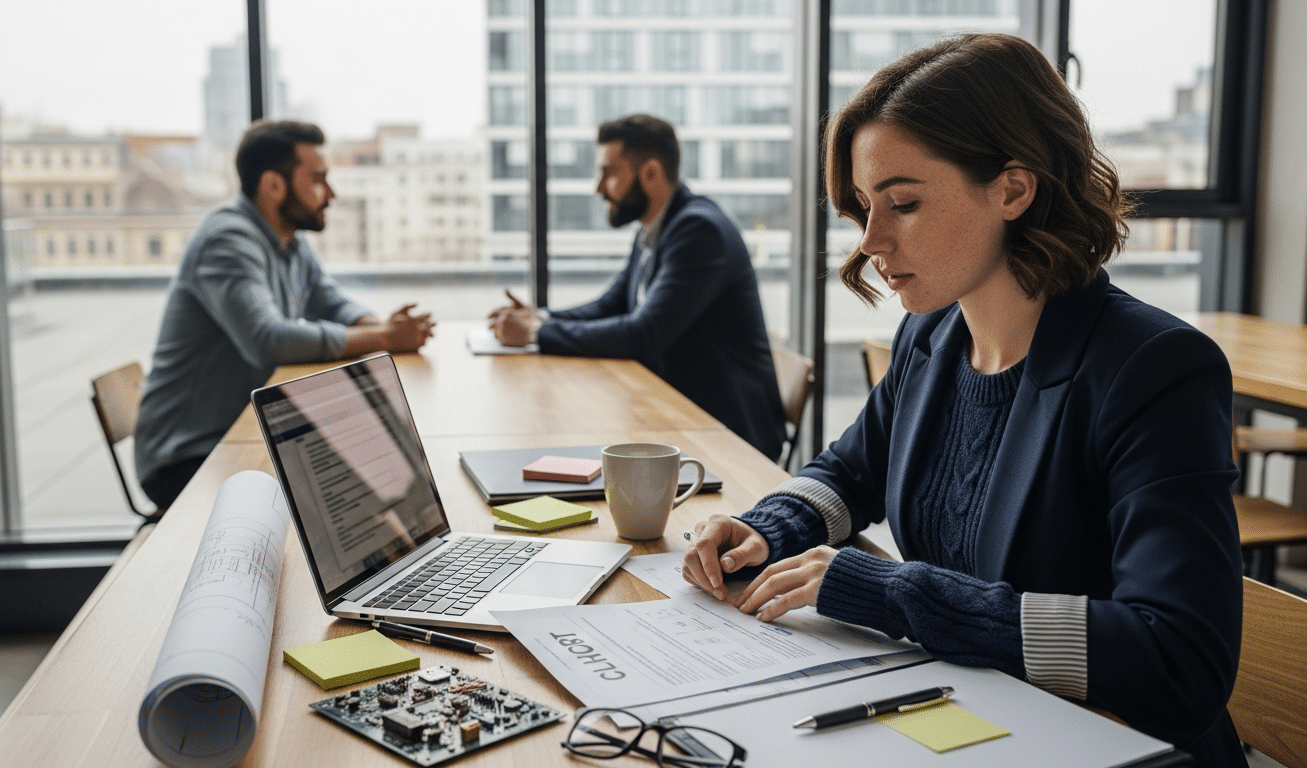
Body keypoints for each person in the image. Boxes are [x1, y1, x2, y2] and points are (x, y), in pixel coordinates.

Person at [681, 34, 1245, 766]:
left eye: (904, 203)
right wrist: (769, 526)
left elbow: (1177, 658)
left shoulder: (1153, 369)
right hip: (975, 725)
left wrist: (894, 594)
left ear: (1013, 188)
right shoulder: (934, 336)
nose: (872, 242)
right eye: (862, 208)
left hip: (1110, 745)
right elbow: (852, 473)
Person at [134, 120, 434, 509]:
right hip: (188, 456)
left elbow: (332, 303)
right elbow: (267, 340)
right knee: (350, 499)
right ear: (274, 185)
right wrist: (387, 339)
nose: (331, 193)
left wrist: (383, 327)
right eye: (318, 180)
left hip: (243, 434)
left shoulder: (289, 239)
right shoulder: (227, 240)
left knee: (377, 478)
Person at [488, 114, 787, 461]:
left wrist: (538, 333)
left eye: (609, 173)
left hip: (726, 433)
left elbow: (645, 335)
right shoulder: (656, 228)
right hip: (675, 412)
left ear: (650, 173)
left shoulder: (699, 231)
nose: (598, 187)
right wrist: (539, 317)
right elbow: (611, 305)